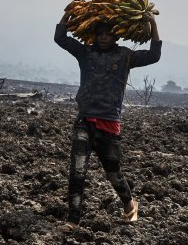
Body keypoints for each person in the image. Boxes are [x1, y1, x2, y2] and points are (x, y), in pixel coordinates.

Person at [54, 13, 161, 232]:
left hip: (109, 123)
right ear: (95, 35)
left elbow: (153, 55)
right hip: (85, 120)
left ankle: (130, 204)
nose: (103, 38)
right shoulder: (86, 53)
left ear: (116, 36)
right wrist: (66, 16)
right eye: (100, 34)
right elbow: (61, 39)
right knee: (77, 171)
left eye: (108, 34)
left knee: (113, 173)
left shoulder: (125, 56)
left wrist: (153, 23)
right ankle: (73, 220)